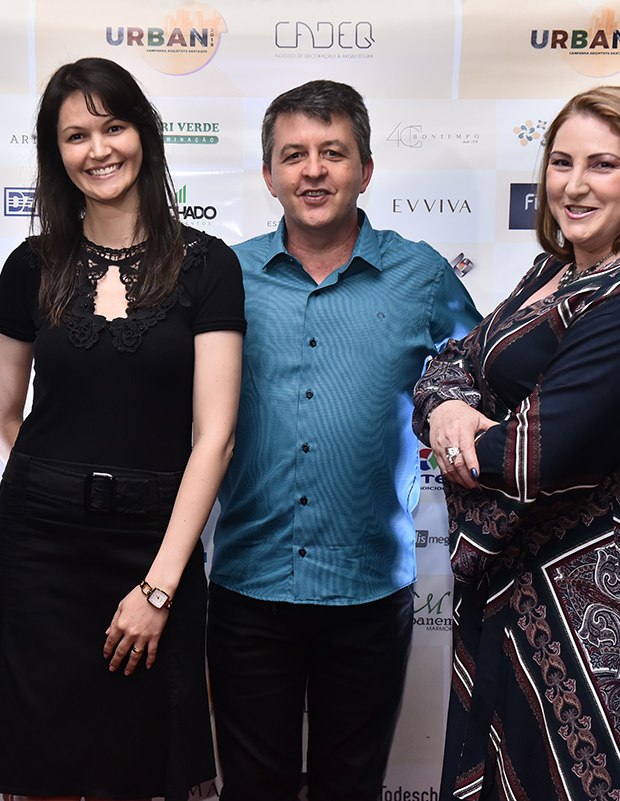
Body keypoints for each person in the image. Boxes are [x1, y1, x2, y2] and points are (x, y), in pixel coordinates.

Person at [0, 57, 244, 801]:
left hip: (154, 545)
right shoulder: (31, 264)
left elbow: (215, 436)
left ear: (143, 132)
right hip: (38, 550)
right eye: (75, 135)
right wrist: (56, 490)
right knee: (37, 773)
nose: (98, 149)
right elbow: (0, 414)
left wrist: (159, 587)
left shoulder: (208, 265)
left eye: (112, 126)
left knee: (136, 772)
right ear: (56, 153)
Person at [413, 86, 620, 801]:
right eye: (562, 162)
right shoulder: (555, 271)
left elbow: (533, 459)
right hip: (509, 584)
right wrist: (448, 405)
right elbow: (451, 361)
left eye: (603, 164)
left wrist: (459, 432)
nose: (574, 185)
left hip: (589, 595)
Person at [208, 79, 481, 801]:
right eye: (293, 154)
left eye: (333, 152)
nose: (313, 171)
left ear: (366, 168)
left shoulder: (422, 276)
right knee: (252, 792)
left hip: (369, 590)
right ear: (268, 175)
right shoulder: (224, 275)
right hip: (247, 585)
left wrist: (458, 409)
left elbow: (482, 371)